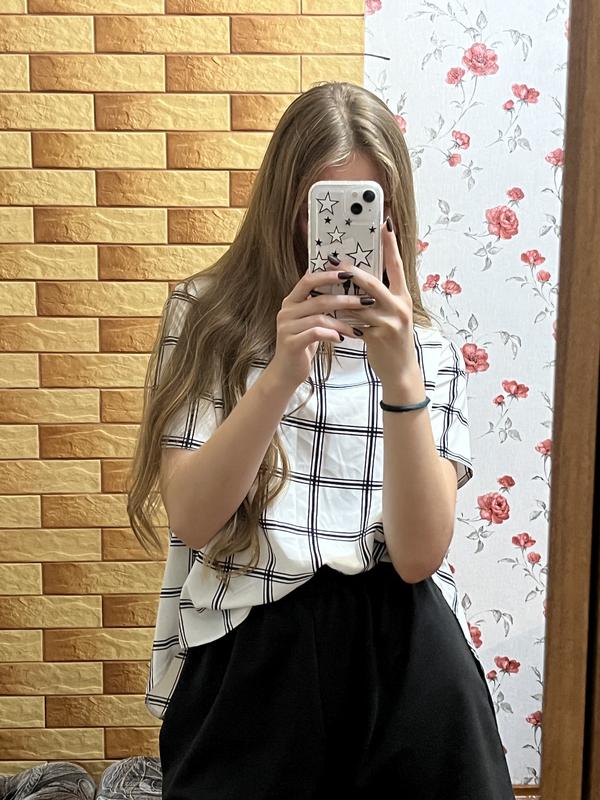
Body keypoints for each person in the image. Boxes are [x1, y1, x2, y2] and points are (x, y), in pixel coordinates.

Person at [127, 81, 515, 799]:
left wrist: (401, 378)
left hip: (404, 646)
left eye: (367, 208)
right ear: (286, 205)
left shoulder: (426, 350)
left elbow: (419, 556)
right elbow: (192, 518)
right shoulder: (205, 317)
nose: (340, 236)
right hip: (253, 638)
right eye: (323, 207)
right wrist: (281, 373)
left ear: (393, 216)